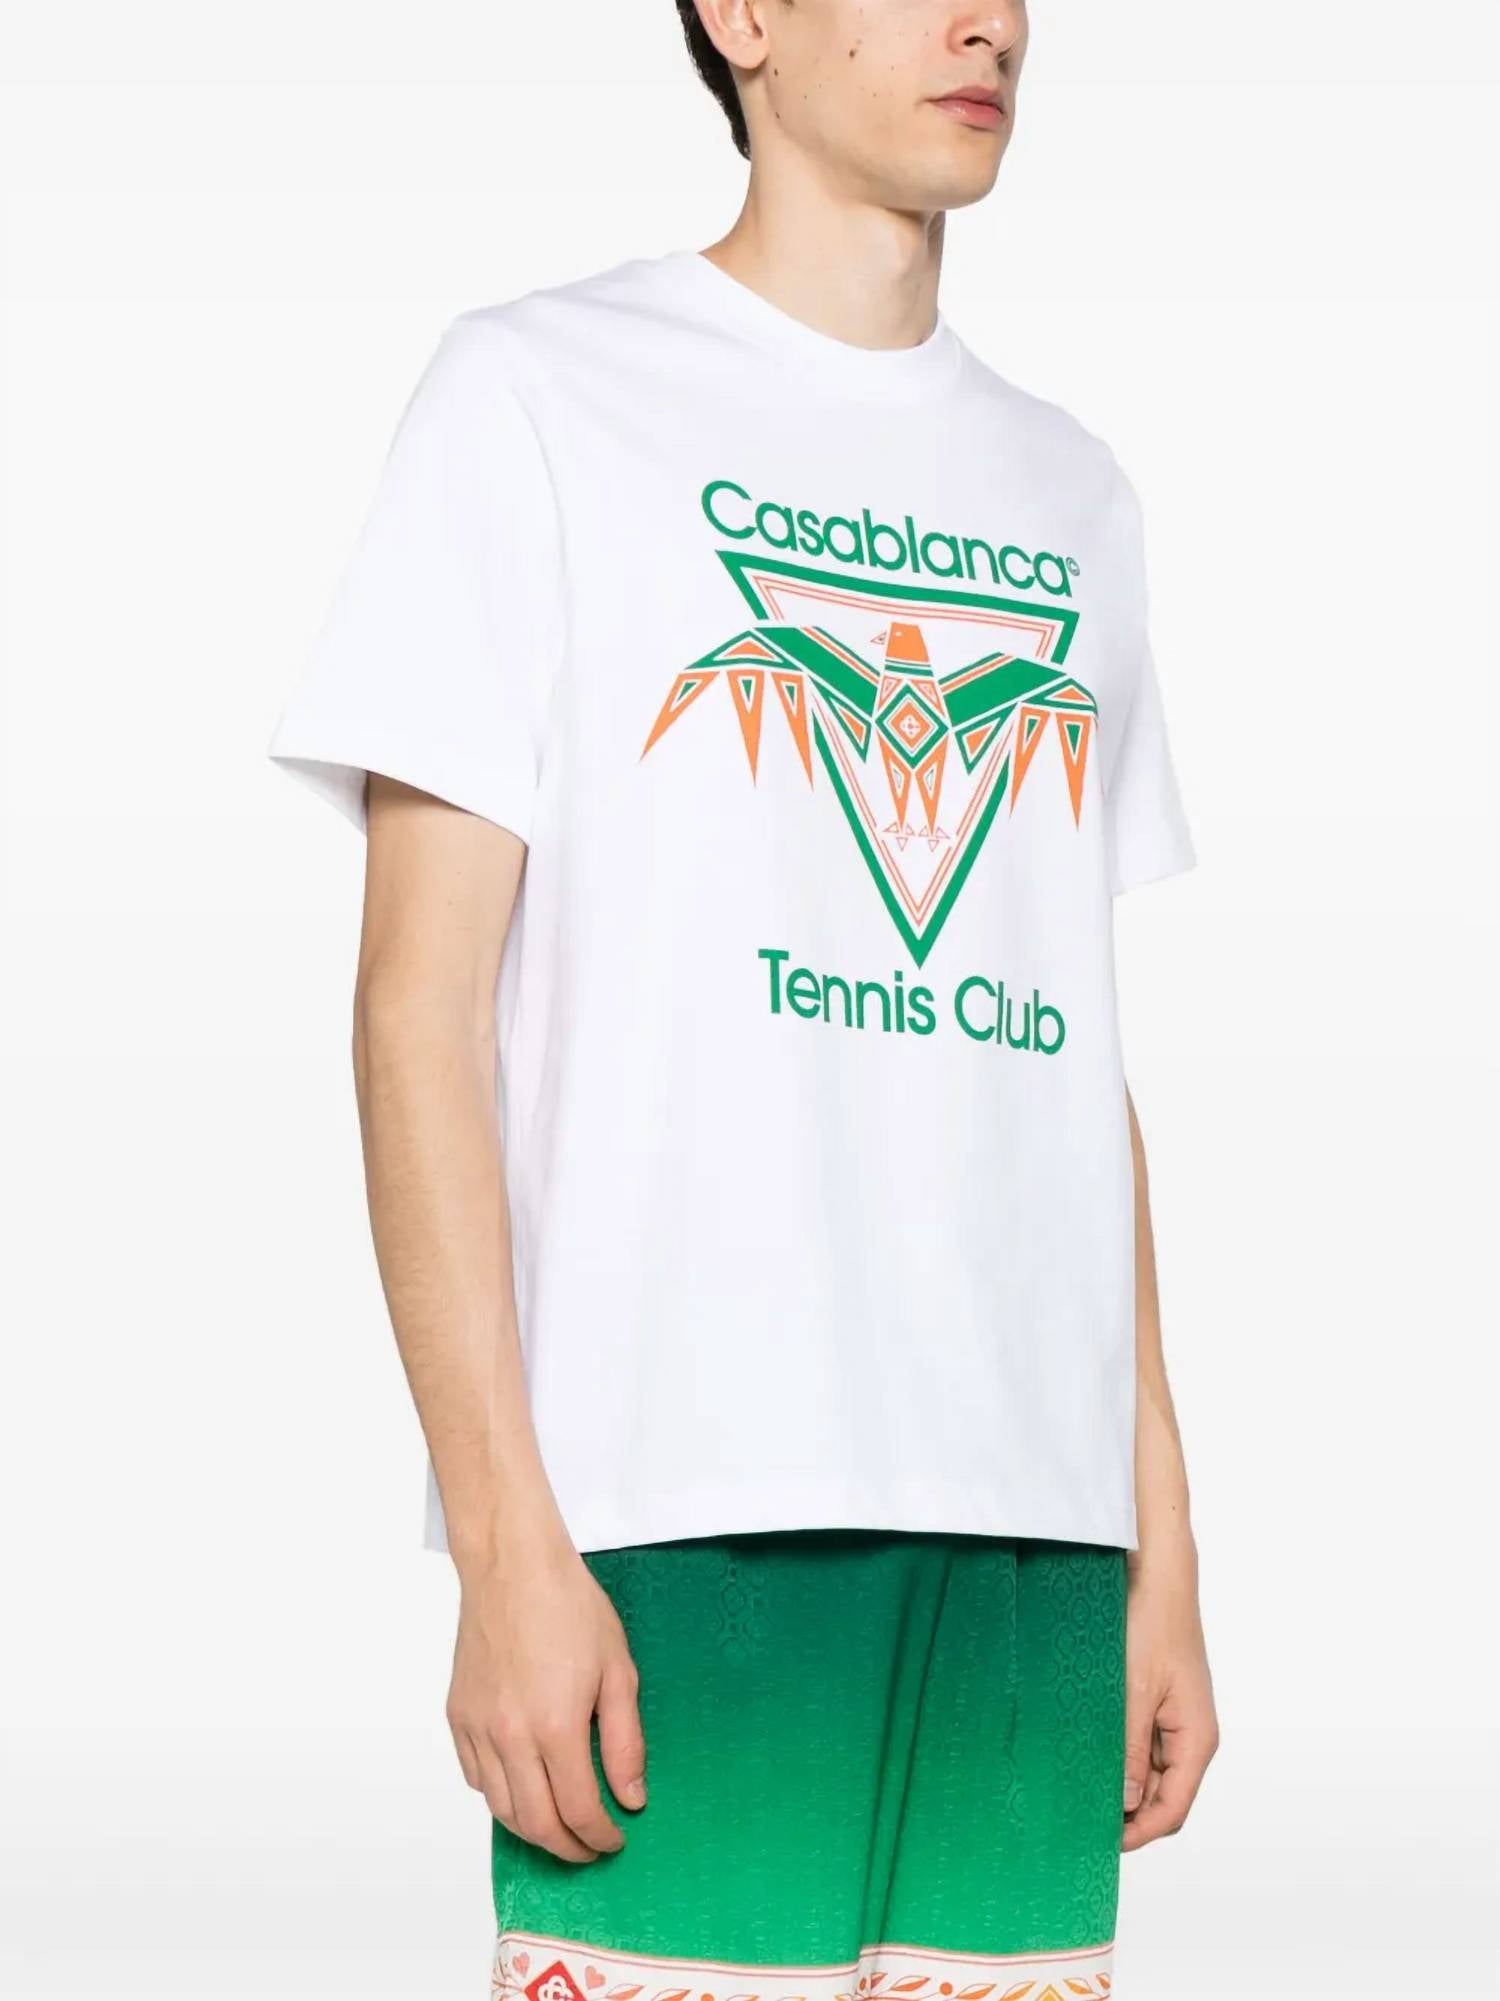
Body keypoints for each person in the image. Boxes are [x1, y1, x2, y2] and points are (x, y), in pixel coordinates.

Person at [270, 1, 1218, 1993]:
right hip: (677, 1503)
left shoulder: (1077, 492)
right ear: (745, 14)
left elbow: (1074, 1054)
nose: (989, 22)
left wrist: (1164, 1535)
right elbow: (415, 1009)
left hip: (1034, 1547)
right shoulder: (537, 396)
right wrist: (504, 1539)